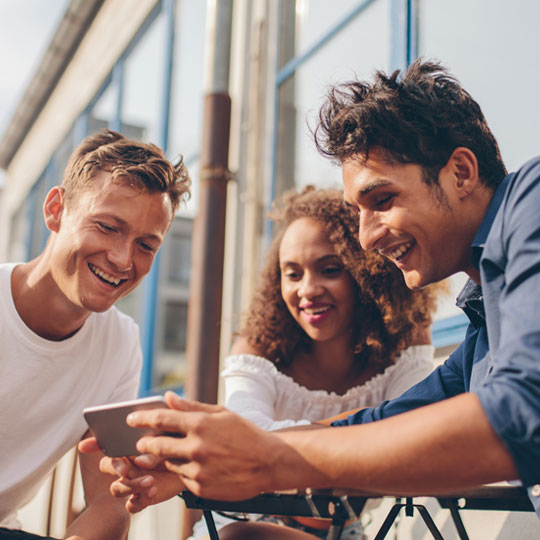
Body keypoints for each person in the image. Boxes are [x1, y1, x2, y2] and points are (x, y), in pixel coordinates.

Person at [84, 57, 540, 525]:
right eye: (357, 211)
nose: (365, 238)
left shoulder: (533, 198)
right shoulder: (483, 327)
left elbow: (523, 412)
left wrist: (264, 461)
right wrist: (207, 460)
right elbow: (382, 426)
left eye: (382, 200)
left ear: (461, 173)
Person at [187, 186, 440, 539]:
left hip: (345, 532)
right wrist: (369, 444)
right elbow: (244, 437)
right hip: (244, 523)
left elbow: (417, 436)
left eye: (329, 269)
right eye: (292, 274)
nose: (307, 289)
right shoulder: (257, 349)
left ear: (367, 273)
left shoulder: (405, 344)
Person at [0, 129, 190, 540]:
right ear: (56, 210)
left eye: (146, 245)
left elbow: (110, 501)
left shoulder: (120, 345)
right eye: (106, 227)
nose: (123, 259)